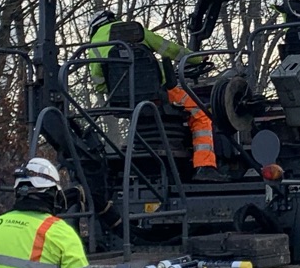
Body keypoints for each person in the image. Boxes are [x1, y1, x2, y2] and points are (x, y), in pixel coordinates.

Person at [84, 14, 216, 169]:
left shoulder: (93, 47)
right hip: (159, 93)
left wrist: (123, 91)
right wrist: (197, 58)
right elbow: (170, 49)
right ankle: (205, 166)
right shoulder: (135, 31)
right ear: (113, 20)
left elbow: (99, 85)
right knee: (201, 114)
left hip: (124, 101)